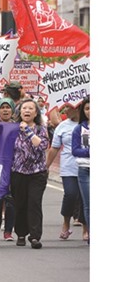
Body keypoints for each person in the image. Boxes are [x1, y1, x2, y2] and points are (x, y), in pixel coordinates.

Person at [11, 99, 50, 249]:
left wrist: (27, 130)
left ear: (36, 112)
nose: (27, 111)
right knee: (20, 204)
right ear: (19, 112)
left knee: (34, 203)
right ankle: (21, 233)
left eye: (30, 108)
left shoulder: (41, 129)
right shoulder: (13, 129)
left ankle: (35, 236)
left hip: (37, 173)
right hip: (18, 172)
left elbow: (41, 146)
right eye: (24, 108)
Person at [45, 103, 87, 242]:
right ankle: (66, 222)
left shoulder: (88, 125)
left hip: (87, 167)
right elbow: (54, 148)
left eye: (69, 108)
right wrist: (46, 167)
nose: (65, 110)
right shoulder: (63, 126)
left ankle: (86, 228)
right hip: (69, 167)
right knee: (70, 194)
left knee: (84, 198)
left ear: (78, 108)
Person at [0, 98, 16, 241]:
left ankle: (8, 231)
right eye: (2, 108)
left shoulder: (18, 126)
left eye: (8, 107)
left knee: (11, 200)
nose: (5, 110)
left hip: (14, 168)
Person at [72, 95, 90, 244]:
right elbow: (75, 150)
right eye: (87, 108)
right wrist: (89, 152)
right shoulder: (79, 128)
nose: (90, 111)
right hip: (85, 169)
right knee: (88, 204)